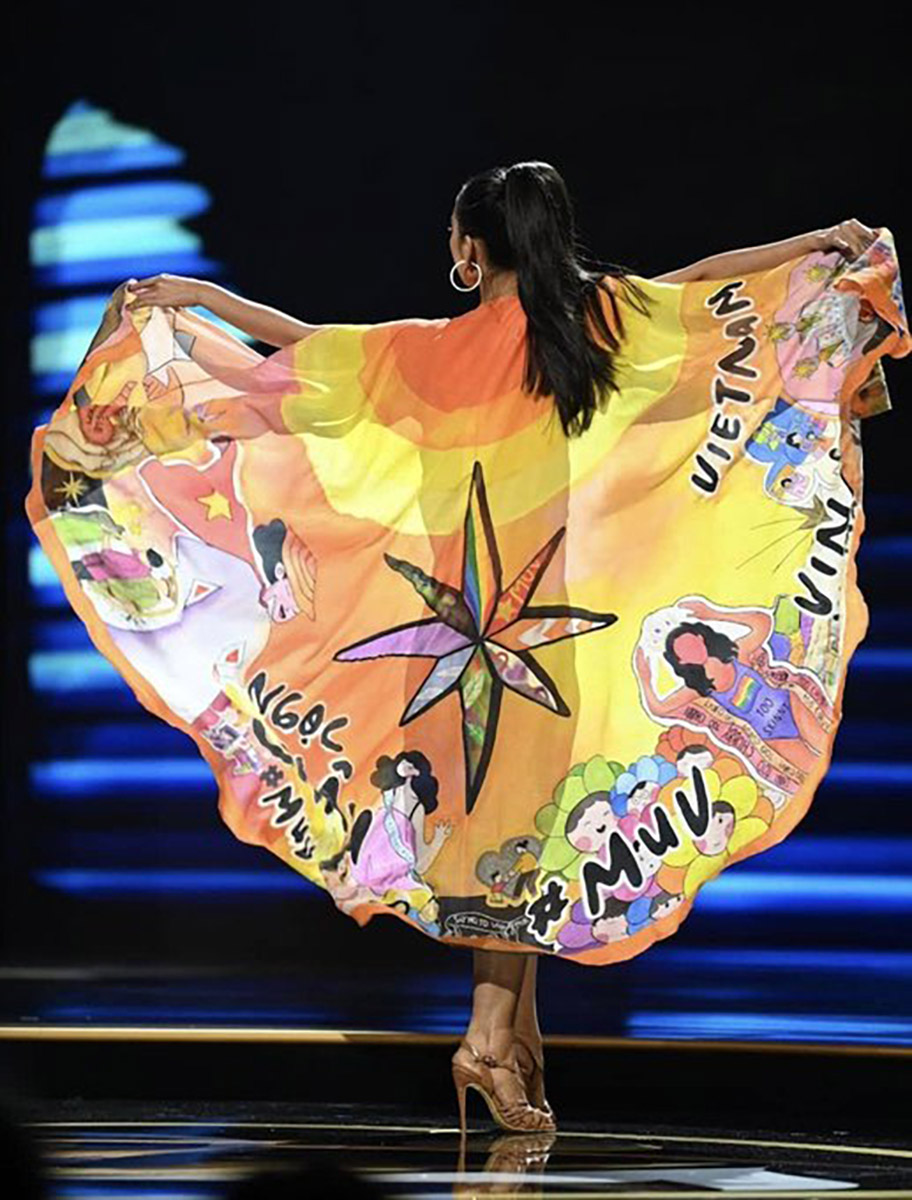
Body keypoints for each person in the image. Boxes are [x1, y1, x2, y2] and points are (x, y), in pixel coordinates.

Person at [71, 164, 885, 1134]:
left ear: (468, 248)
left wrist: (194, 297)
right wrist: (810, 249)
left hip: (459, 639)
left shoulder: (438, 351)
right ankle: (496, 1040)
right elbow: (711, 286)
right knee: (520, 830)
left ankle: (502, 1039)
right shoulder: (598, 318)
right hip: (546, 634)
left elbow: (297, 346)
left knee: (516, 831)